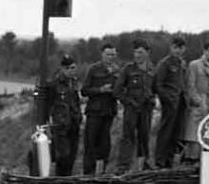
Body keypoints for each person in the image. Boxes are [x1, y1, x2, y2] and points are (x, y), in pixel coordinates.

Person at [114, 39, 155, 173]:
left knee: (144, 136)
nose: (137, 55)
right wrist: (128, 102)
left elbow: (156, 87)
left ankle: (143, 165)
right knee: (128, 137)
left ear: (147, 53)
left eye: (141, 52)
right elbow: (117, 91)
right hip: (131, 108)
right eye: (136, 52)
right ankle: (123, 167)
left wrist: (153, 99)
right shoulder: (128, 69)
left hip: (146, 109)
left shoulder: (152, 69)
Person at [80, 43, 120, 175]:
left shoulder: (117, 70)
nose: (110, 57)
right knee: (91, 144)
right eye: (108, 54)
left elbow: (120, 89)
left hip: (109, 112)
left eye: (113, 54)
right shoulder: (94, 69)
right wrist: (100, 90)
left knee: (105, 146)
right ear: (102, 54)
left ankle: (101, 173)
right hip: (95, 112)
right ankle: (88, 173)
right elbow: (84, 90)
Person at [182, 40, 209, 162]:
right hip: (200, 101)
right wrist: (197, 100)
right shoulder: (194, 65)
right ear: (204, 51)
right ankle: (190, 158)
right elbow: (190, 84)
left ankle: (205, 159)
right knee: (194, 132)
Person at [152, 36, 187, 169]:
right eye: (176, 47)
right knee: (165, 131)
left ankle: (169, 160)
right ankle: (160, 162)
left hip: (181, 102)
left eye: (181, 48)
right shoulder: (165, 63)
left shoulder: (182, 63)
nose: (178, 50)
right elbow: (158, 84)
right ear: (171, 47)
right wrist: (167, 99)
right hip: (170, 102)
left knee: (176, 133)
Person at [46, 54, 83, 176]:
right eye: (70, 68)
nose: (72, 71)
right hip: (61, 125)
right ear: (64, 68)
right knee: (63, 156)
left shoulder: (74, 82)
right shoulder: (55, 83)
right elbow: (48, 103)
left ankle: (67, 180)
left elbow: (76, 101)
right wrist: (49, 122)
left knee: (72, 156)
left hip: (74, 123)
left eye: (73, 68)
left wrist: (79, 117)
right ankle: (59, 179)